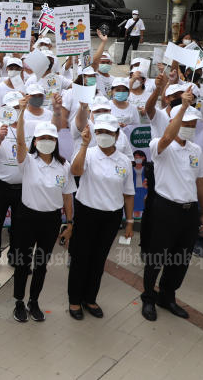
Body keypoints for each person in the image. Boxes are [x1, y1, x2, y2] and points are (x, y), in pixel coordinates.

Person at [140, 95, 203, 322]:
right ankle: (149, 298)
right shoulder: (160, 145)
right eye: (184, 124)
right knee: (156, 257)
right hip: (165, 209)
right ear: (173, 123)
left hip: (188, 212)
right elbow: (168, 136)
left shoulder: (195, 150)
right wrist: (184, 107)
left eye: (192, 125)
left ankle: (168, 296)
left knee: (180, 259)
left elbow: (201, 182)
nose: (188, 128)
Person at [13, 104, 75, 323]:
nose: (46, 141)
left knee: (41, 264)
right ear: (35, 141)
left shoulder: (64, 165)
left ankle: (34, 301)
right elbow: (19, 142)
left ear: (56, 141)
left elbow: (67, 196)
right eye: (42, 138)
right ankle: (19, 301)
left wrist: (70, 223)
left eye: (51, 137)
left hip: (51, 220)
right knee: (23, 262)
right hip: (26, 218)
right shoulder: (28, 161)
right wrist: (20, 114)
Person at [68, 114, 134, 319]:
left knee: (98, 259)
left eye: (108, 132)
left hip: (111, 217)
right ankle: (74, 301)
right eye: (100, 132)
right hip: (87, 213)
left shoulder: (124, 160)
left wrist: (129, 221)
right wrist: (84, 146)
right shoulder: (88, 153)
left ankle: (90, 298)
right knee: (80, 258)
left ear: (116, 134)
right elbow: (75, 171)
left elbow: (128, 193)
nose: (103, 136)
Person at [0, 91, 28, 276]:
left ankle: (15, 255)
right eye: (11, 108)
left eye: (18, 107)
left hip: (23, 187)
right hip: (0, 185)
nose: (14, 111)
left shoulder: (28, 126)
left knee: (20, 226)